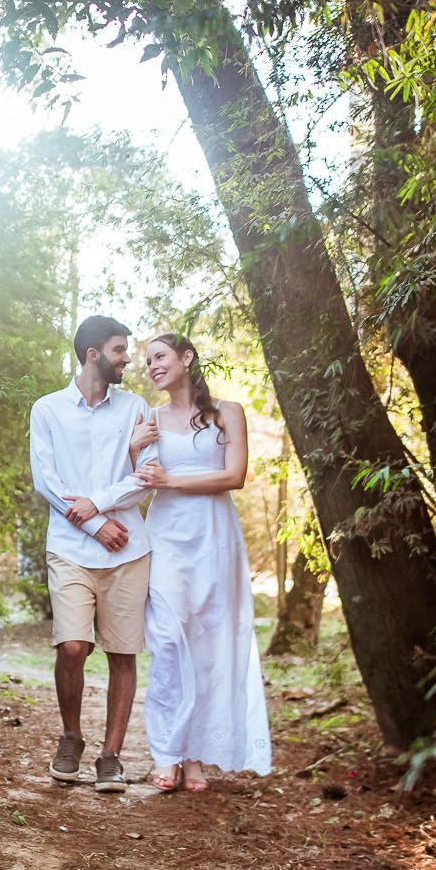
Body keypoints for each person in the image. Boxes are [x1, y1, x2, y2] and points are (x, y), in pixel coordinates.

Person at [129, 333, 271, 790]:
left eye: (159, 356)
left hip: (214, 537)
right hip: (166, 537)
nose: (151, 366)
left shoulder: (227, 412)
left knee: (209, 643)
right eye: (147, 360)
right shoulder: (147, 420)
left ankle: (195, 757)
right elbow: (139, 481)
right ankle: (166, 752)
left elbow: (235, 476)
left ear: (186, 358)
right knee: (168, 642)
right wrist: (135, 450)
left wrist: (171, 480)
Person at [28, 315, 153, 792]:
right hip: (71, 547)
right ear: (94, 354)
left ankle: (111, 756)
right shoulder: (48, 409)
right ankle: (71, 737)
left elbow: (146, 473)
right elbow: (47, 480)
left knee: (123, 653)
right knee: (74, 646)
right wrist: (97, 524)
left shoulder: (136, 407)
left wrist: (99, 505)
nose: (128, 358)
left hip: (128, 550)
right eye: (121, 350)